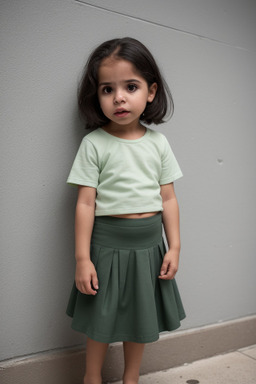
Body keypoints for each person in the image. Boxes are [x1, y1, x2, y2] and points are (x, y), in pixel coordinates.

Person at [66, 37, 186, 384]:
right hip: (105, 248)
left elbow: (168, 199)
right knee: (100, 321)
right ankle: (92, 377)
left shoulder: (158, 143)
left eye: (130, 86)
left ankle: (131, 378)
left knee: (140, 319)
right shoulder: (94, 144)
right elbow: (85, 203)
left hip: (149, 248)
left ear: (150, 92)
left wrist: (174, 246)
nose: (118, 97)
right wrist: (82, 258)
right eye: (107, 89)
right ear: (96, 96)